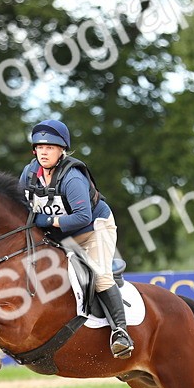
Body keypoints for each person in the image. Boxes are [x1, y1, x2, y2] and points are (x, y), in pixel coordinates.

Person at [18, 118, 134, 358]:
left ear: (62, 150)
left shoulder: (72, 177)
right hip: (60, 235)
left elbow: (82, 217)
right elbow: (19, 206)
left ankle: (121, 333)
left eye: (50, 147)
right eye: (40, 147)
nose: (44, 152)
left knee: (100, 275)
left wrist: (47, 221)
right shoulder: (29, 174)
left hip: (93, 229)